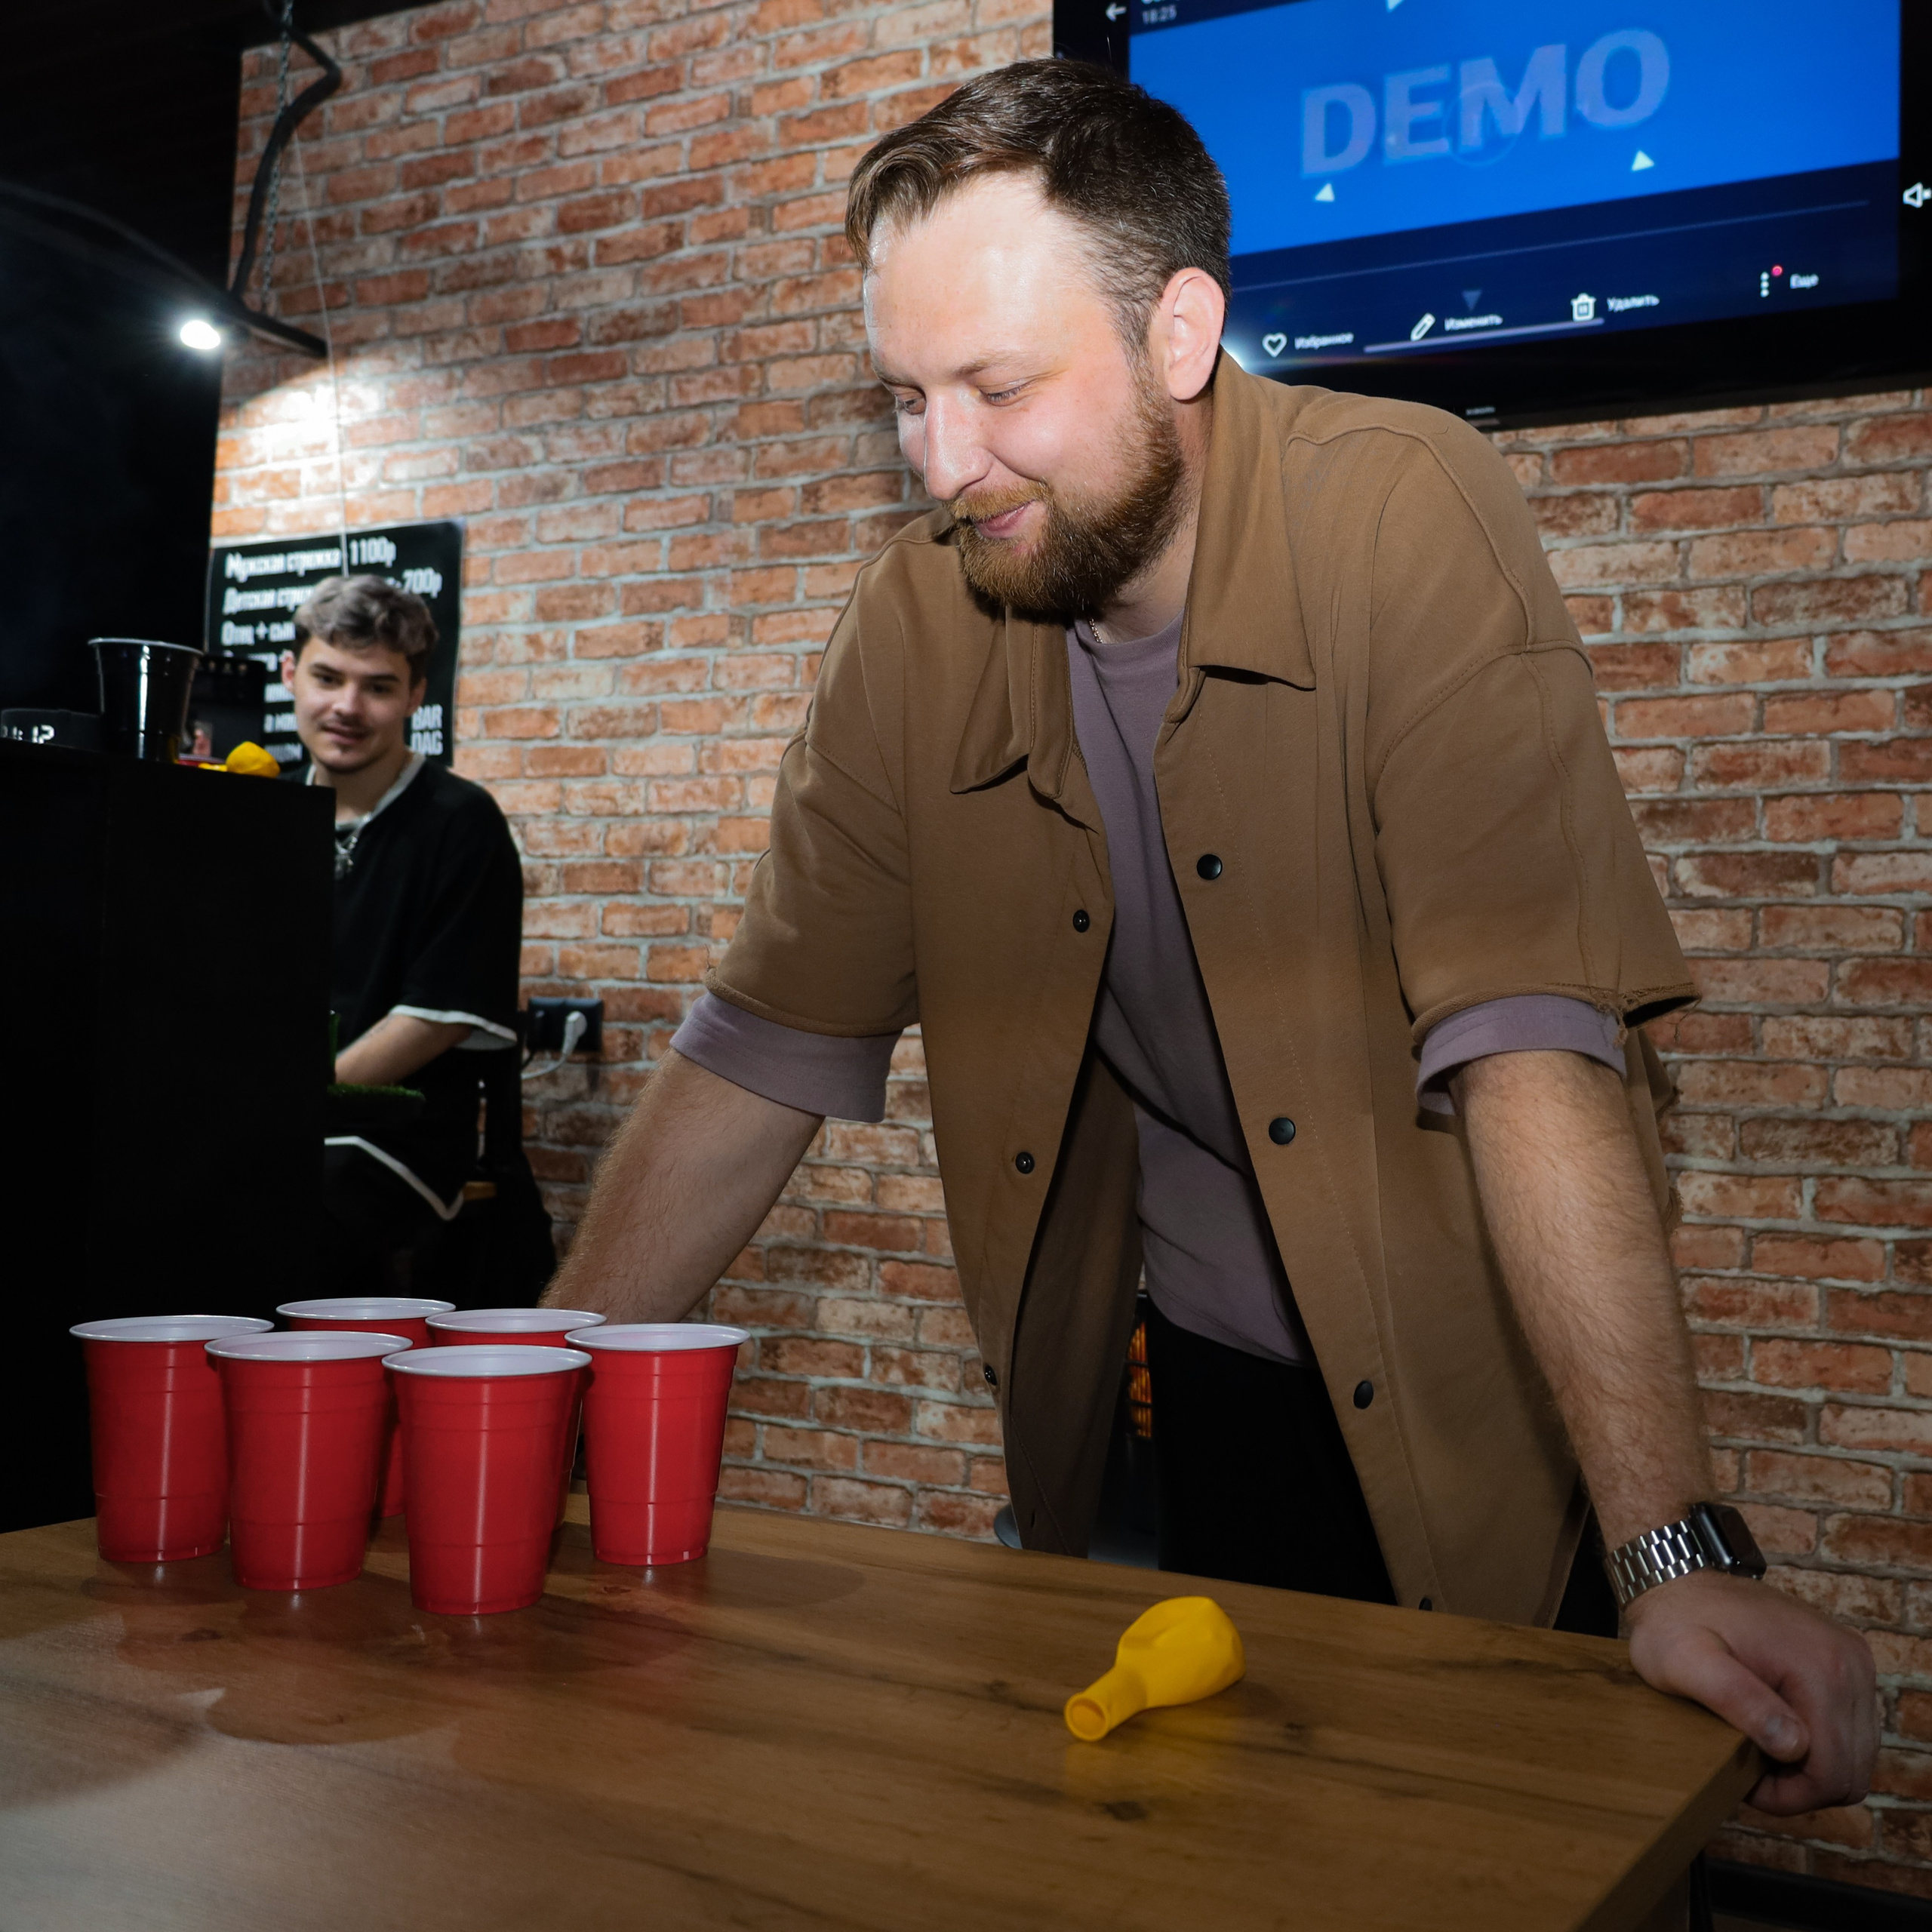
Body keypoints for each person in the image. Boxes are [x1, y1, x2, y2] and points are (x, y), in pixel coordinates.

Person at [547, 63, 1875, 1813]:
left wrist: (1667, 1544)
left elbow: (1527, 1037)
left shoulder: (1397, 502)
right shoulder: (914, 616)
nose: (940, 463)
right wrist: (518, 1388)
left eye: (998, 387)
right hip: (1214, 1382)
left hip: (1487, 1390)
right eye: (903, 399)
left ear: (1177, 332)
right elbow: (762, 1049)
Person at [285, 574, 525, 1291]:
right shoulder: (262, 815)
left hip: (393, 1141)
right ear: (291, 674)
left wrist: (292, 1102)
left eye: (379, 687)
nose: (347, 707)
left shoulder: (460, 821)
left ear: (417, 695)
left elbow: (434, 1019)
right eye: (328, 677)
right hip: (271, 1123)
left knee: (271, 1214)